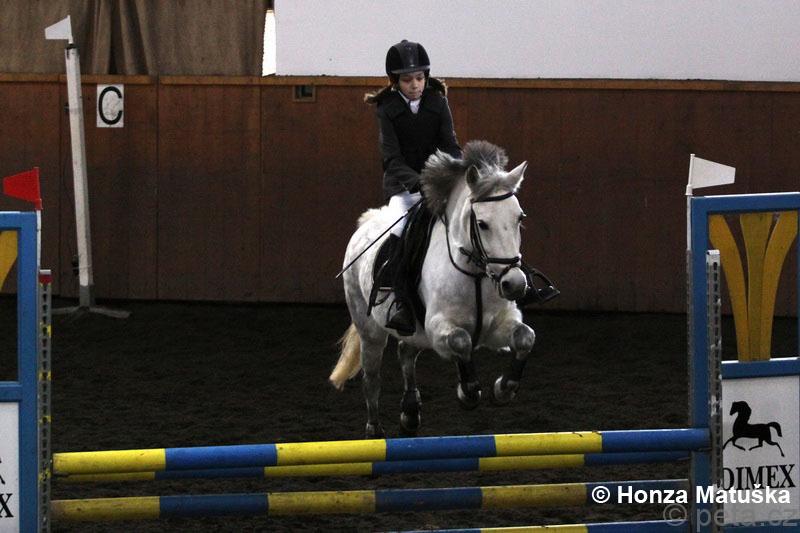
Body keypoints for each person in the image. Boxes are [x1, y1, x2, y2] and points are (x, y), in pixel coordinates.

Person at [364, 40, 462, 336]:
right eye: (408, 80)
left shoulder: (438, 102)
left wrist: (450, 173)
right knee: (399, 228)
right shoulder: (387, 109)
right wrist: (416, 182)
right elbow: (391, 158)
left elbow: (451, 146)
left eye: (420, 78)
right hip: (403, 187)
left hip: (437, 182)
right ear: (396, 82)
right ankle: (399, 300)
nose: (415, 85)